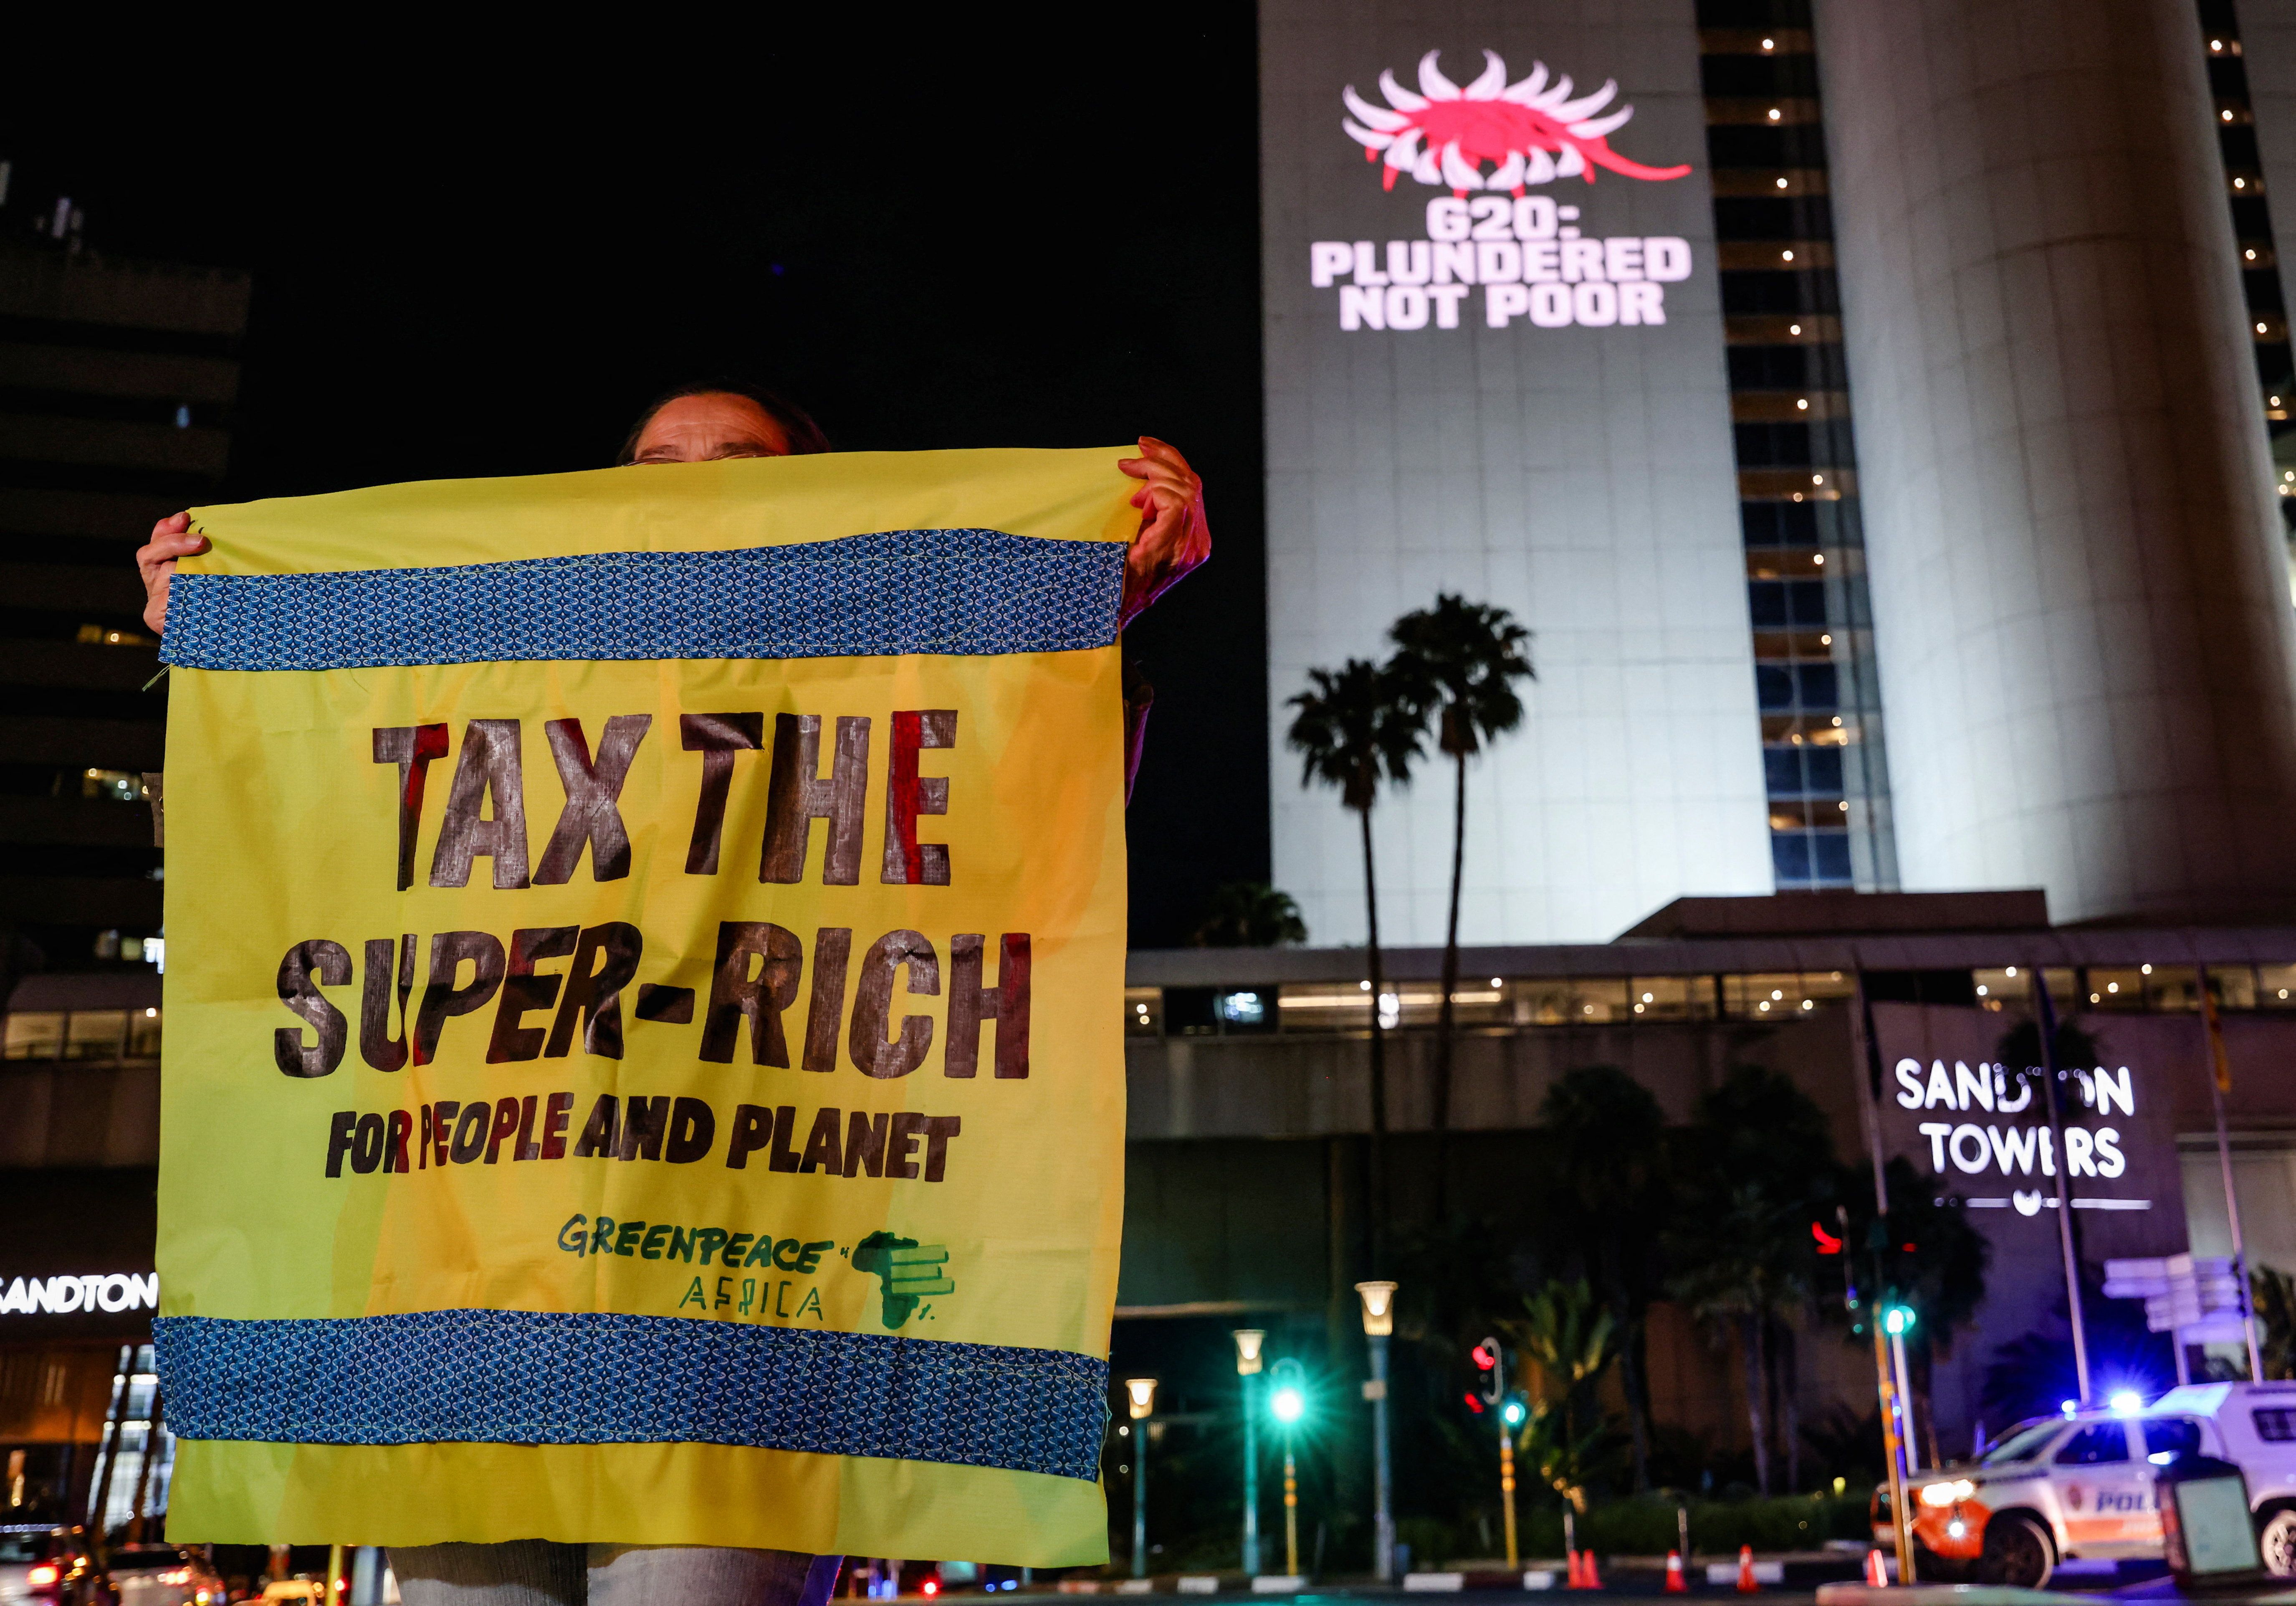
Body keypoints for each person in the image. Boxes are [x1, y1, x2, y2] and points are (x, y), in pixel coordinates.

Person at [131, 382, 1209, 1606]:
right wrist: (221, 648)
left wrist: (1078, 619)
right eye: (659, 461)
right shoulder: (476, 679)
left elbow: (1019, 865)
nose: (693, 482)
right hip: (461, 1329)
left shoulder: (886, 682)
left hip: (723, 1371)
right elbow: (286, 864)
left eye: (737, 461)